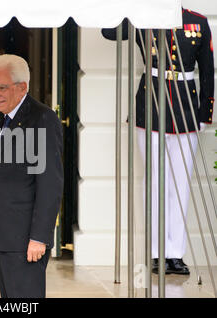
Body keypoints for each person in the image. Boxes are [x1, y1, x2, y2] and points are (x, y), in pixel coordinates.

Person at [102, 8, 214, 275]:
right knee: (155, 182)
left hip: (186, 108)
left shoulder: (197, 21)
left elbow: (208, 70)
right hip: (150, 106)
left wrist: (204, 114)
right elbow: (109, 32)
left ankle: (175, 253)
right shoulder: (143, 15)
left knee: (182, 183)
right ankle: (156, 253)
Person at [0, 54, 63, 298]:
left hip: (26, 238)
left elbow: (50, 182)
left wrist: (39, 237)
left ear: (22, 87)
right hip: (4, 235)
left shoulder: (42, 118)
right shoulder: (1, 118)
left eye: (1, 87)